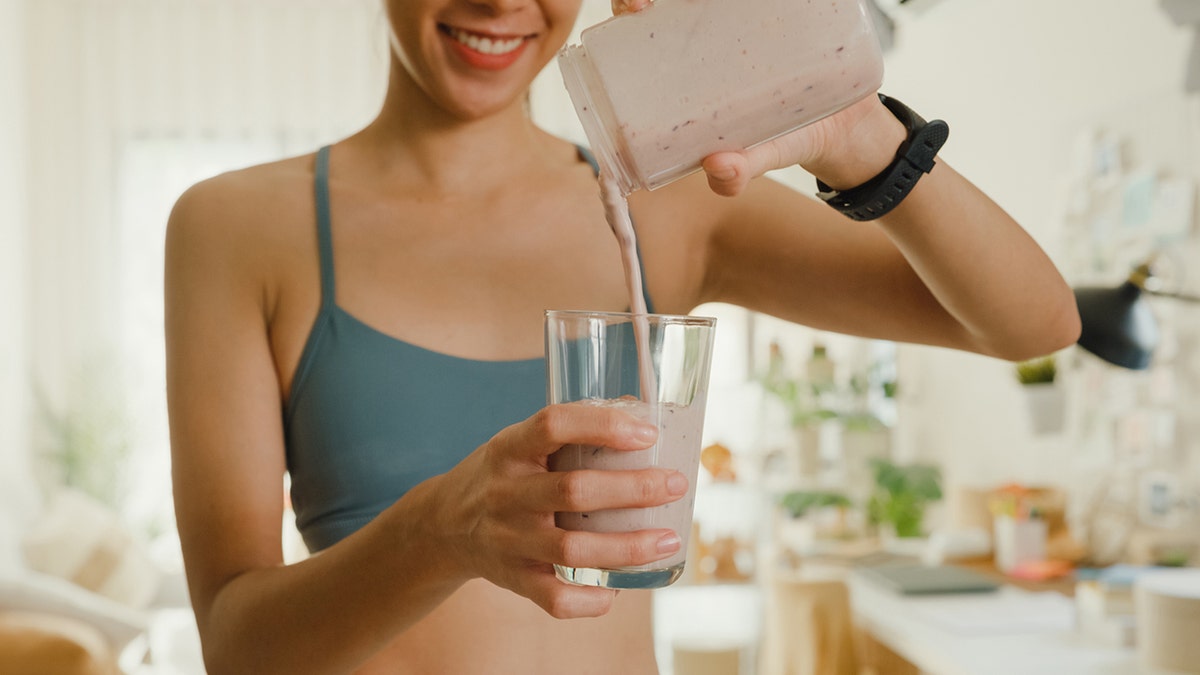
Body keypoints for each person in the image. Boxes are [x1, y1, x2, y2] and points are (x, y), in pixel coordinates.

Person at [163, 1, 1081, 673]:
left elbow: (1034, 324)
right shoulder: (236, 228)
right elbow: (237, 645)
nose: (499, 3)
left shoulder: (668, 210)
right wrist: (438, 533)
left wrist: (859, 136)